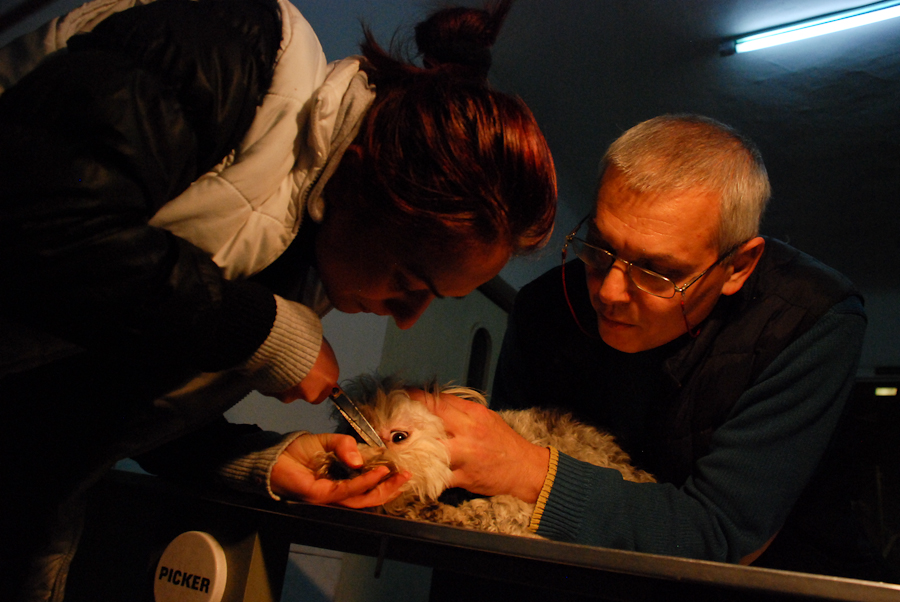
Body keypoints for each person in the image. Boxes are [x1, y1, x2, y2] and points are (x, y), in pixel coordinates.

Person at [0, 0, 557, 599]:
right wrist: (257, 332)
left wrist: (267, 460)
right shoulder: (228, 52)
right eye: (408, 281)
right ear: (361, 180)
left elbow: (96, 409)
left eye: (434, 300)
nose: (406, 317)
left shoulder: (310, 261)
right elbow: (44, 215)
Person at [420, 114, 894, 585]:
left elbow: (720, 534)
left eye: (657, 272)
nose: (609, 292)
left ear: (738, 267)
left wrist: (527, 469)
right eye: (600, 248)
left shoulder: (809, 319)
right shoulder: (545, 306)